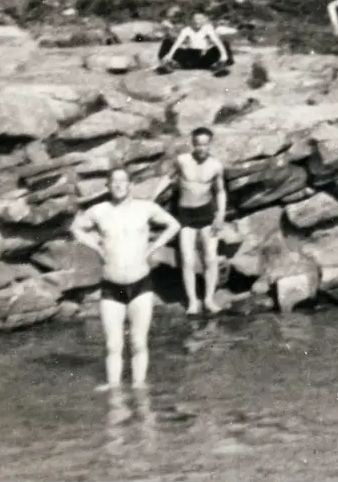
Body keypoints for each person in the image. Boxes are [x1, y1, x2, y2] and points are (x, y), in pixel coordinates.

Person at [70, 168, 181, 391]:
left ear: (130, 184)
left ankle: (139, 385)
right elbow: (75, 228)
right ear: (107, 185)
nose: (119, 185)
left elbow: (174, 225)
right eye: (114, 181)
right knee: (113, 344)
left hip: (140, 284)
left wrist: (154, 246)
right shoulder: (99, 211)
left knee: (139, 342)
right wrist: (96, 247)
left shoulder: (145, 208)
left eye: (123, 181)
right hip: (111, 286)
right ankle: (114, 388)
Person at [150, 127, 227, 315]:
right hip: (186, 215)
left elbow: (219, 191)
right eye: (198, 144)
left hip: (207, 214)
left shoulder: (216, 166)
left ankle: (209, 299)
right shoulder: (182, 161)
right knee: (188, 259)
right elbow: (167, 178)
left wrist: (221, 214)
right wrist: (152, 197)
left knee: (210, 257)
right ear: (193, 143)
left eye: (205, 144)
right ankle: (192, 301)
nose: (201, 148)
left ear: (210, 144)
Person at [158, 12, 232, 72]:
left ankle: (222, 65)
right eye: (195, 19)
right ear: (191, 20)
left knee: (225, 43)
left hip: (204, 58)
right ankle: (166, 64)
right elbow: (177, 43)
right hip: (189, 59)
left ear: (204, 20)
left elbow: (217, 42)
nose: (197, 21)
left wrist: (223, 55)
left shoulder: (207, 28)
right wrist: (170, 55)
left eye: (200, 19)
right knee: (167, 41)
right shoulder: (186, 30)